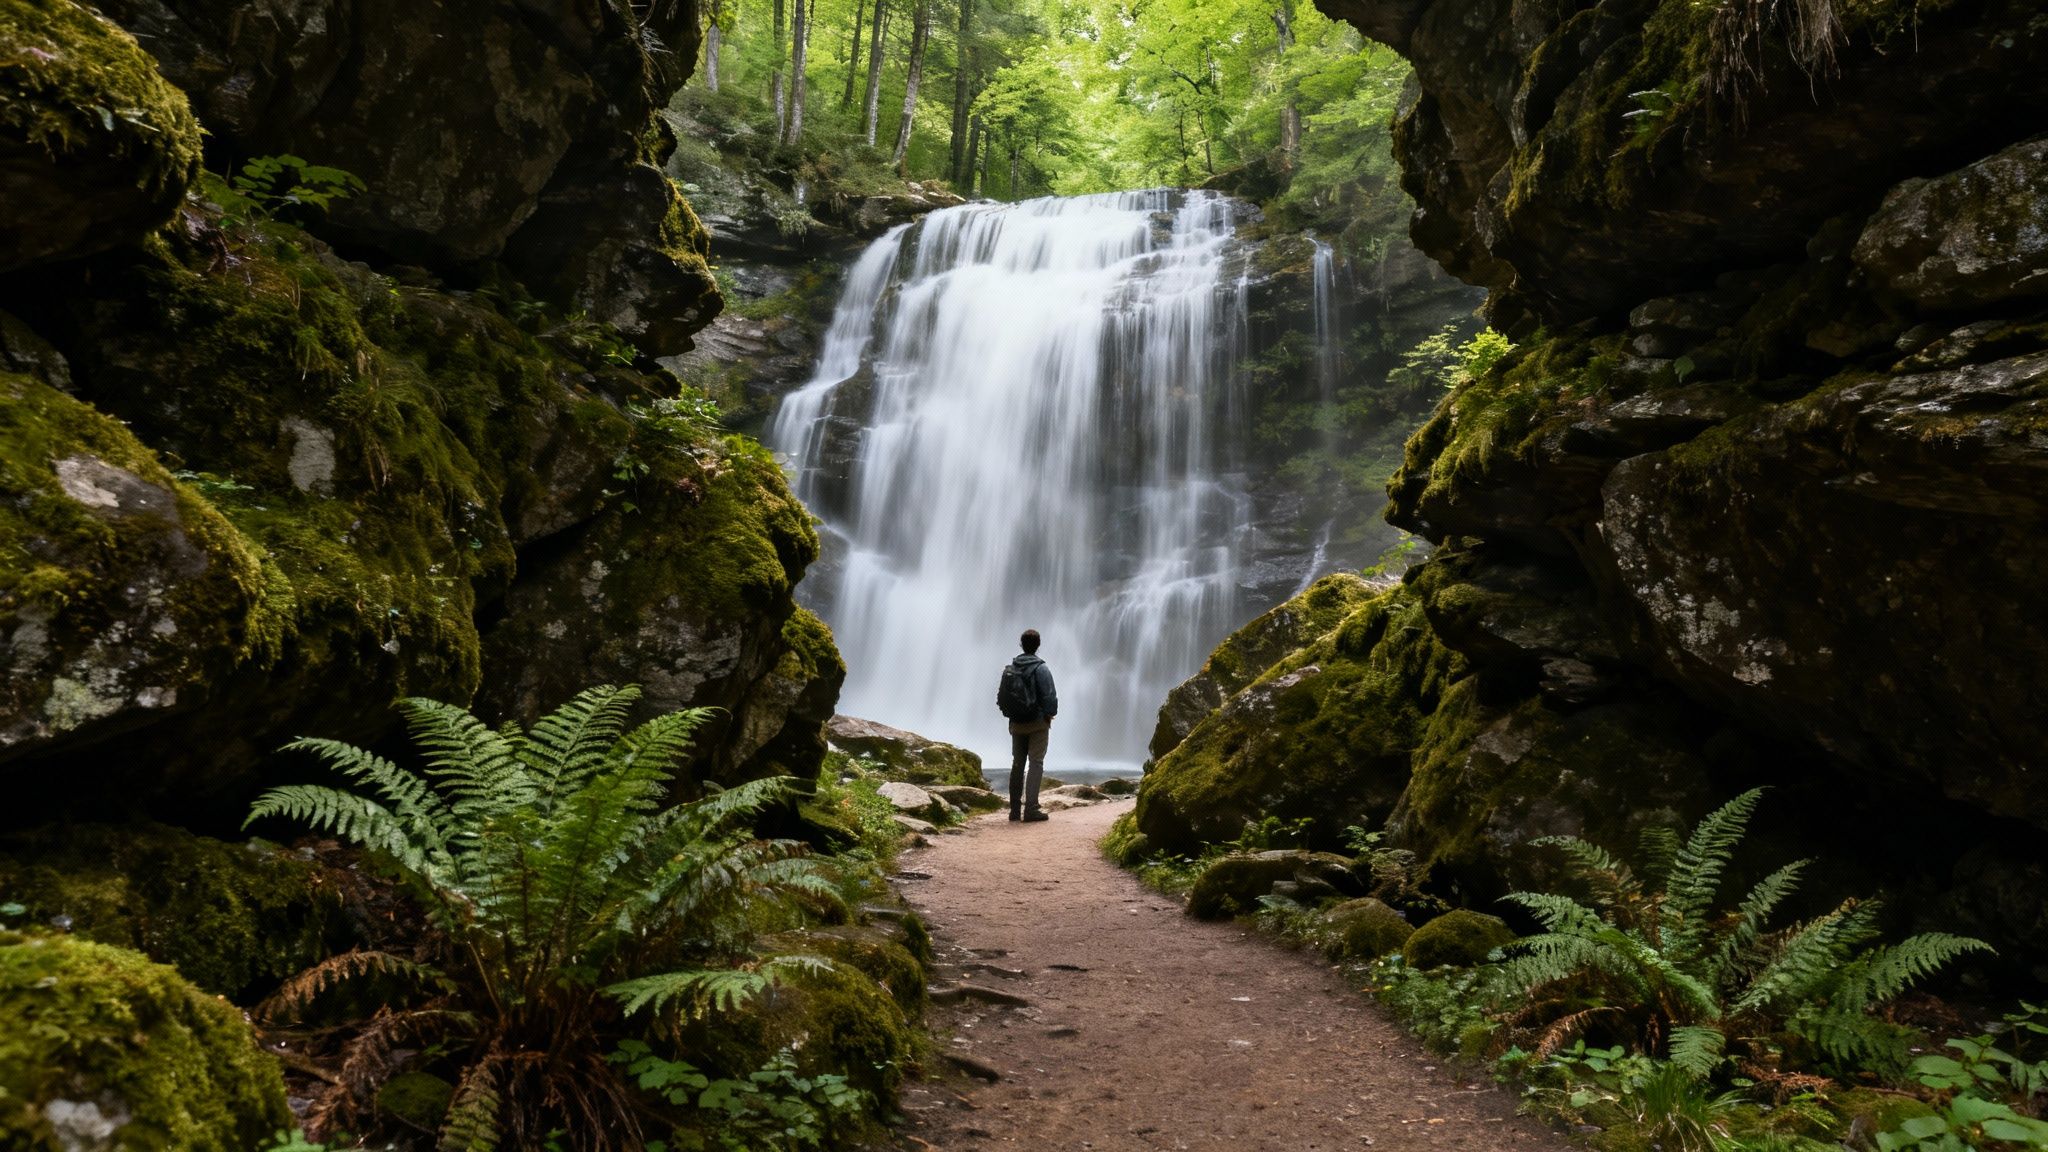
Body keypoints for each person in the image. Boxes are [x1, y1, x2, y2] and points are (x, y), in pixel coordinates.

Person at [1004, 629, 1058, 823]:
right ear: (1038, 645)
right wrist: (1049, 715)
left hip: (1017, 724)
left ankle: (1014, 810)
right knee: (1036, 763)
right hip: (1037, 724)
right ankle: (1031, 809)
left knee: (1017, 764)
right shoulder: (1041, 668)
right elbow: (1049, 696)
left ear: (1021, 644)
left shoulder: (1013, 667)